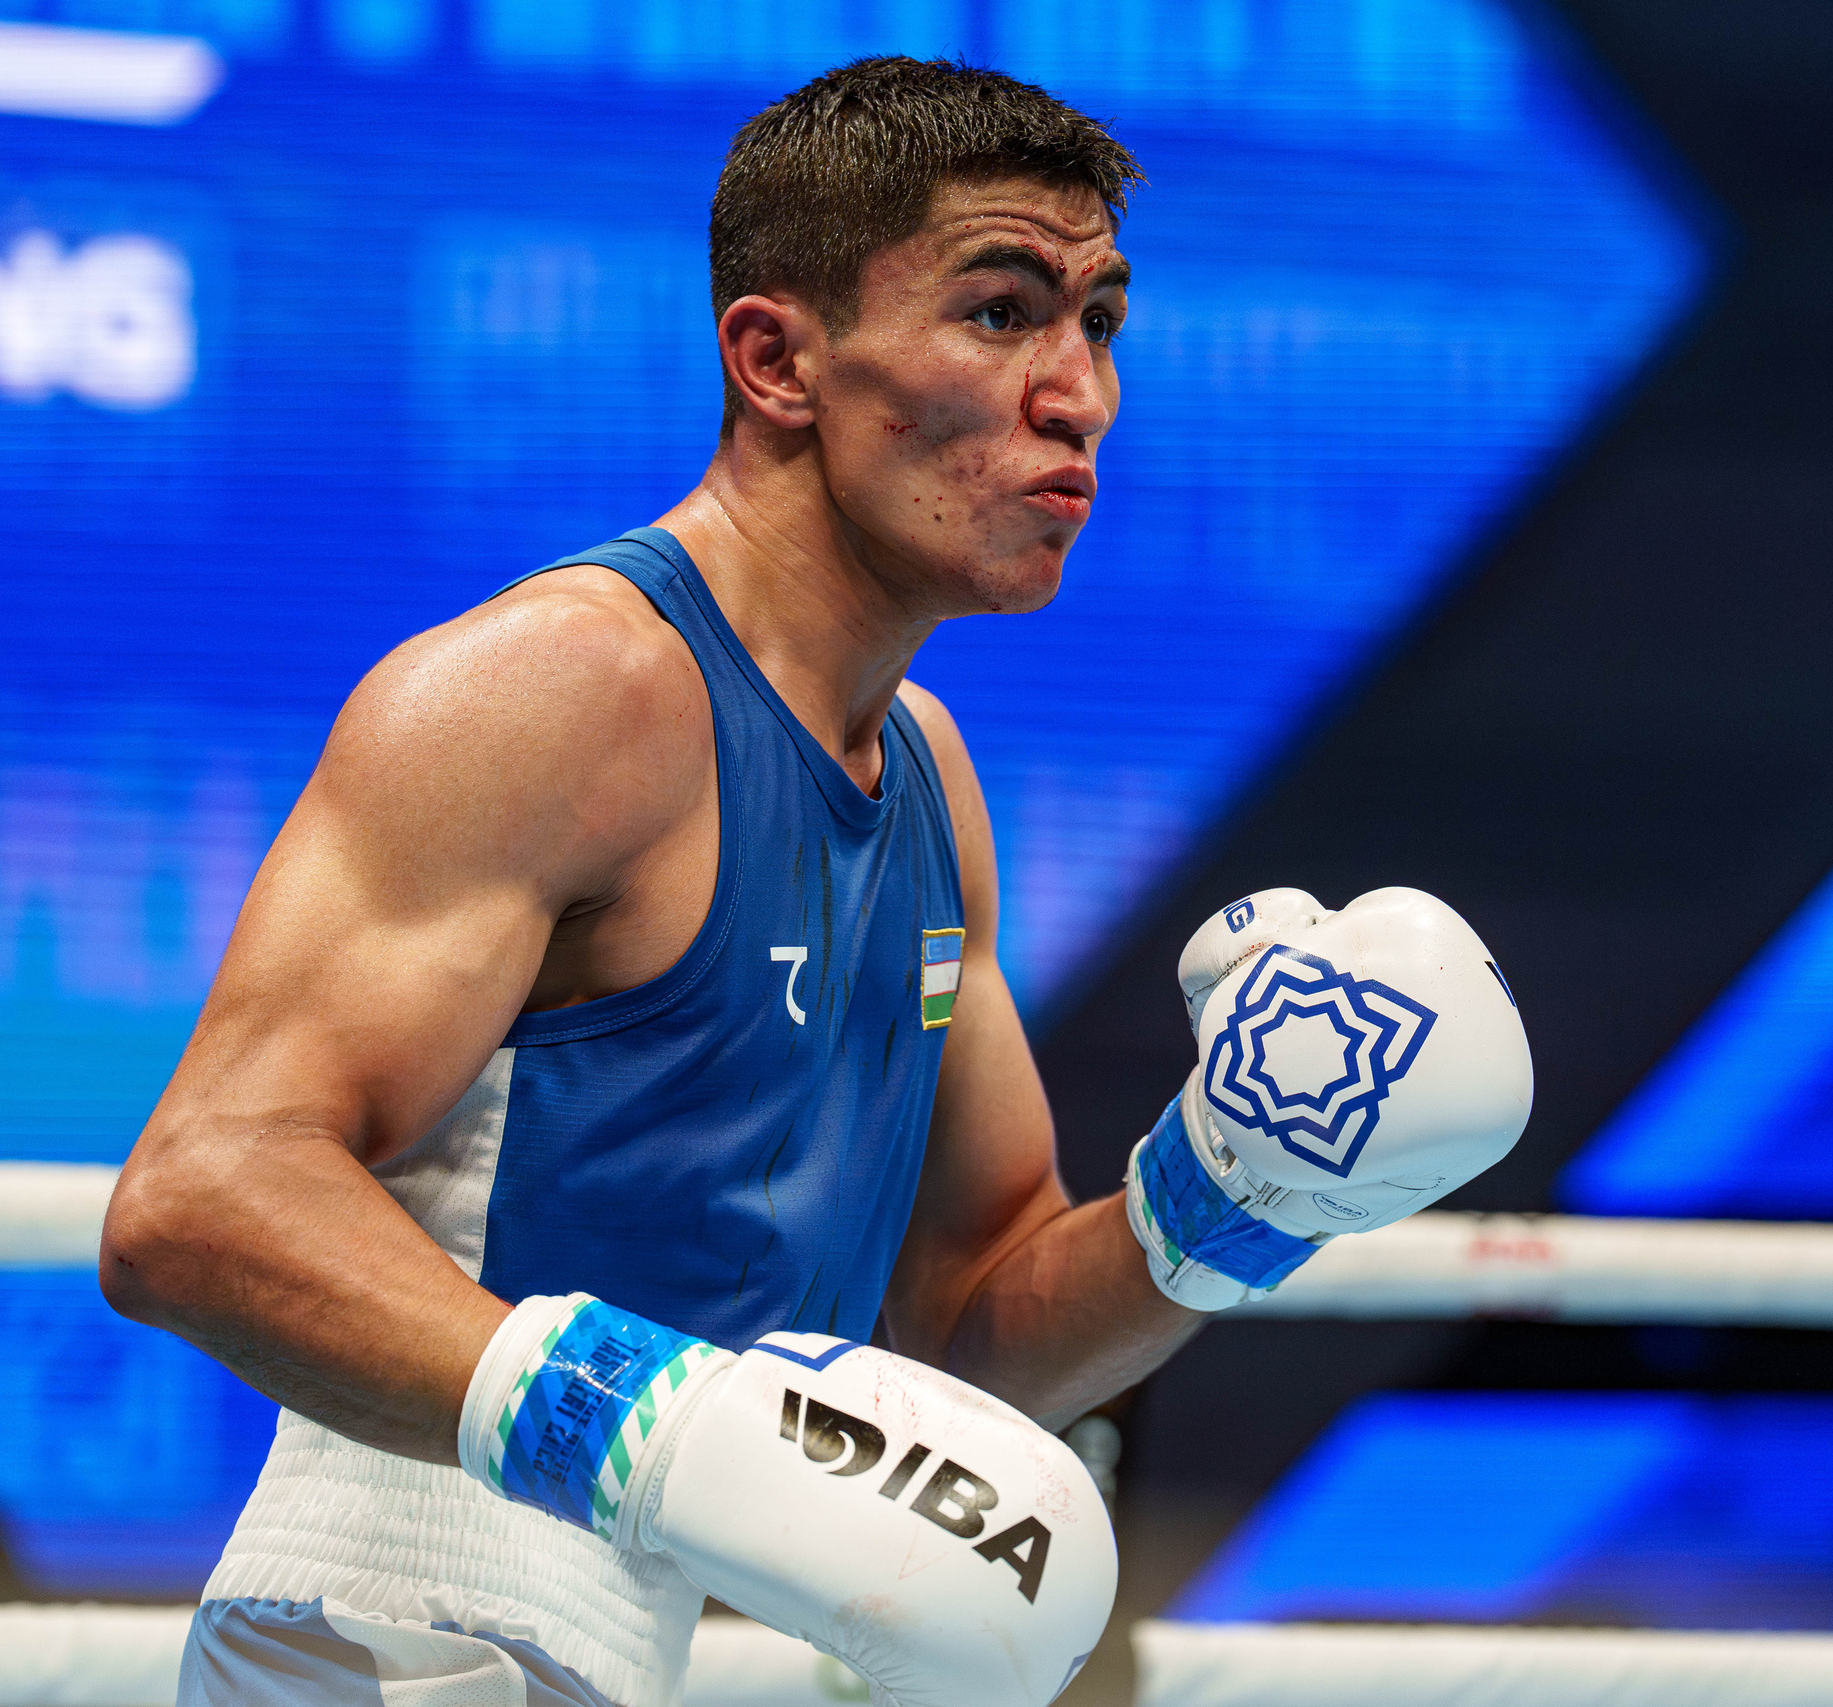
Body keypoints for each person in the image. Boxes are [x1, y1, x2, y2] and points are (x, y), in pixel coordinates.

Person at [100, 57, 1532, 1707]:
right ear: (778, 361)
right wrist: (643, 1425)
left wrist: (1228, 1194)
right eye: (1000, 313)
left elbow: (969, 1329)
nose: (1079, 394)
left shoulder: (927, 779)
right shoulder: (568, 688)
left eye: (1099, 323)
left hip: (624, 1655)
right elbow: (198, 1198)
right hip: (394, 1635)